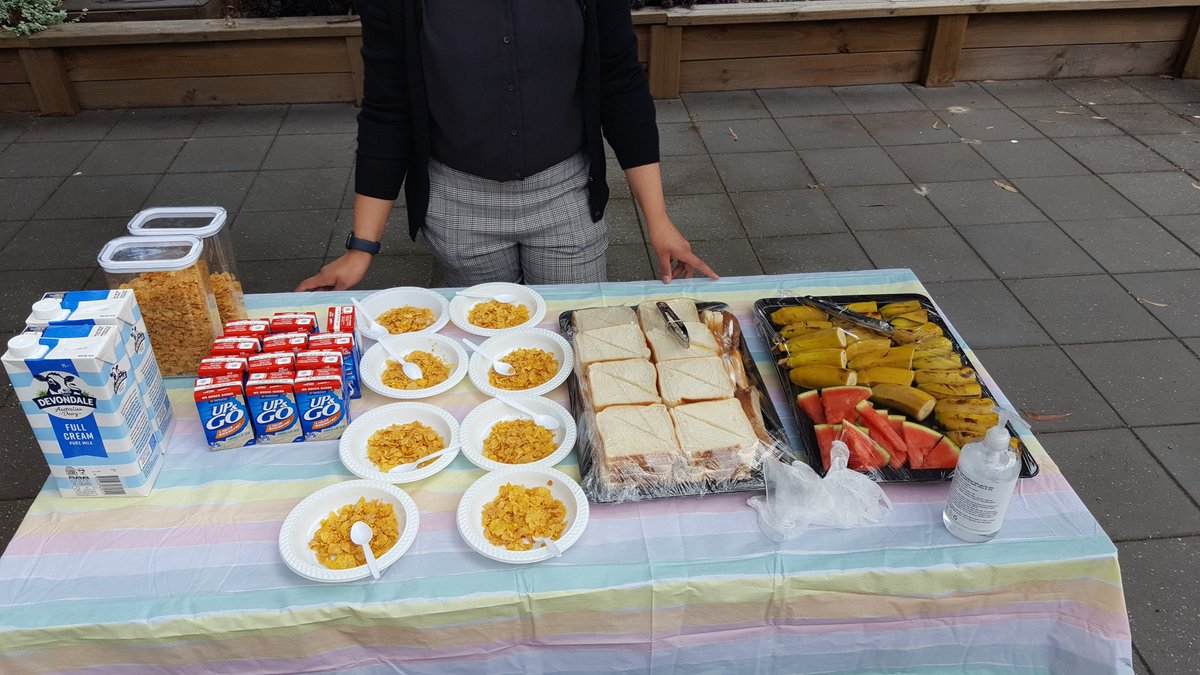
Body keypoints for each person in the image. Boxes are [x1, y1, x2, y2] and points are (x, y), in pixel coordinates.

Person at [297, 0, 717, 292]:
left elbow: (621, 87)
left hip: (564, 196)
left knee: (573, 335)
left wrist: (658, 219)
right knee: (488, 348)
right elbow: (388, 111)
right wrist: (361, 248)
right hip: (459, 205)